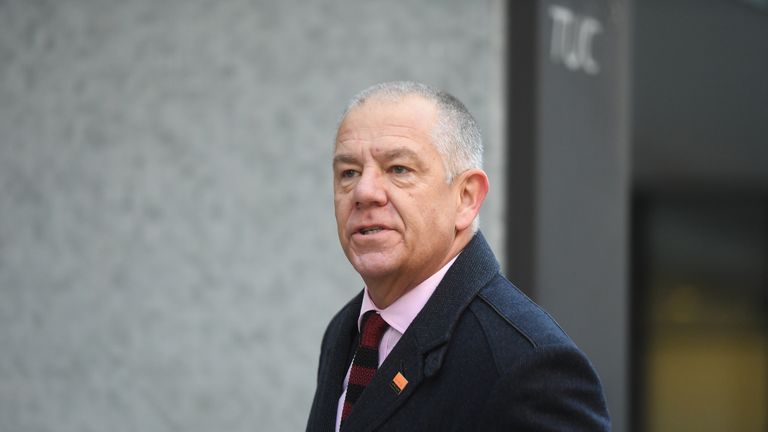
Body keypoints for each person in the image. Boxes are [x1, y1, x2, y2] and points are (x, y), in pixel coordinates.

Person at [306, 81, 610, 431]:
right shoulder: (348, 331)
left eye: (398, 169)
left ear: (466, 198)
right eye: (349, 173)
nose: (364, 192)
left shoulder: (526, 363)